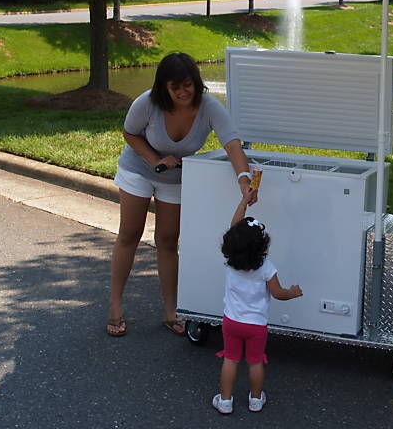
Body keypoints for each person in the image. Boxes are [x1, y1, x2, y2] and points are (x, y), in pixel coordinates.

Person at [107, 52, 258, 337]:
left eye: (187, 84)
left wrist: (243, 179)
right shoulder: (148, 103)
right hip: (138, 170)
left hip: (175, 178)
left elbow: (232, 143)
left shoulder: (209, 107)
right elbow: (130, 133)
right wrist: (155, 160)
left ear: (196, 82)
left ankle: (171, 311)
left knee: (167, 240)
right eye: (174, 86)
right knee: (129, 234)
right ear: (163, 86)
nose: (182, 92)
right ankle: (115, 305)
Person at [212, 208, 302, 415]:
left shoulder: (231, 262)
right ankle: (255, 399)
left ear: (231, 246)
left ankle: (225, 401)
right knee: (255, 362)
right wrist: (292, 292)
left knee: (230, 360)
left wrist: (243, 201)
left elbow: (234, 228)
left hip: (232, 322)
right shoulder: (267, 268)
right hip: (256, 326)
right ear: (262, 247)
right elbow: (278, 293)